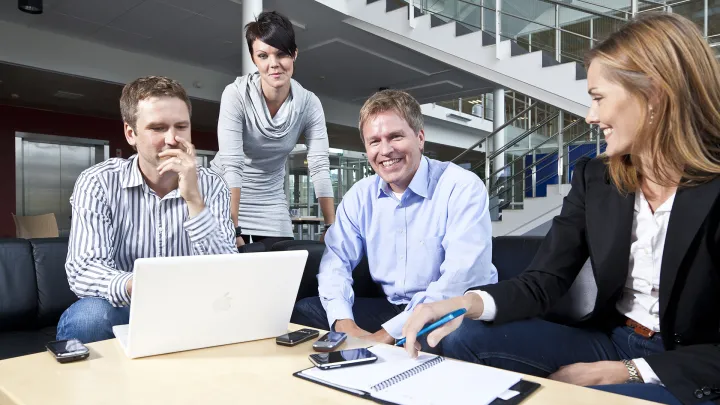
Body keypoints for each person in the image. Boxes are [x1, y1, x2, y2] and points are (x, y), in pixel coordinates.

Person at [399, 13, 720, 405]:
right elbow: (543, 280)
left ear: (653, 96)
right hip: (614, 340)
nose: (590, 116)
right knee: (464, 335)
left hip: (693, 366)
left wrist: (626, 371)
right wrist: (464, 302)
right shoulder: (595, 179)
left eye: (599, 97)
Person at [291, 90, 498, 343]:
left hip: (451, 310)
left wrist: (384, 336)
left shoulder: (461, 186)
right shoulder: (360, 196)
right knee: (307, 311)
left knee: (453, 338)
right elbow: (335, 262)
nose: (385, 150)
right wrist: (344, 324)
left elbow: (459, 280)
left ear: (420, 138)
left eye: (395, 137)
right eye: (374, 141)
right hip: (394, 307)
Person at [57, 76, 237, 343]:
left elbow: (228, 273)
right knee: (89, 317)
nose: (172, 139)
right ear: (131, 133)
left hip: (194, 308)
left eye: (181, 126)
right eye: (158, 128)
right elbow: (84, 271)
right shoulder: (98, 182)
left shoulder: (213, 185)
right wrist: (146, 286)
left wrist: (195, 202)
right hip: (126, 306)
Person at [211, 11, 334, 251]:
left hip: (270, 198)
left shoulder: (309, 103)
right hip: (226, 194)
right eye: (263, 56)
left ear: (294, 54)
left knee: (283, 267)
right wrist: (232, 227)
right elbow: (232, 165)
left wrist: (331, 226)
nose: (273, 64)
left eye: (281, 54)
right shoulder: (235, 95)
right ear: (254, 59)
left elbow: (319, 165)